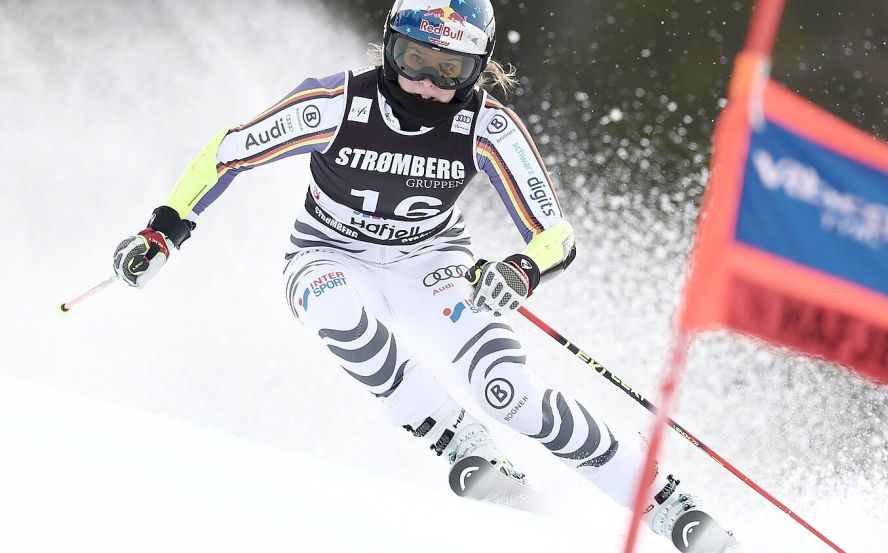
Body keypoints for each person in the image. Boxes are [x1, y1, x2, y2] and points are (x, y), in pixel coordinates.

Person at [111, 1, 739, 551]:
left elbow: (556, 236)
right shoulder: (338, 103)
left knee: (512, 398)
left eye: (450, 71)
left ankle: (669, 504)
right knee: (336, 310)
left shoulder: (487, 126)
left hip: (431, 263)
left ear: (479, 69)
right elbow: (229, 150)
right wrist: (164, 230)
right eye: (413, 58)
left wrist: (521, 270)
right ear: (389, 46)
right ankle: (458, 438)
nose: (426, 84)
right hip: (326, 255)